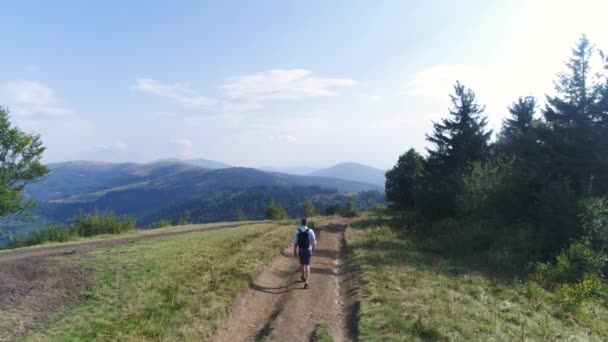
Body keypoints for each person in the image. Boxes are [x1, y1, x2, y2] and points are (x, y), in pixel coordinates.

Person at [293, 217, 317, 289]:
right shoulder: (310, 231)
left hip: (300, 250)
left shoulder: (297, 231)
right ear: (307, 223)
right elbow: (314, 242)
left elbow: (295, 242)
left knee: (302, 264)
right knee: (307, 266)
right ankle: (306, 283)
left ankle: (302, 276)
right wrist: (313, 250)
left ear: (301, 223)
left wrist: (294, 251)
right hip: (307, 250)